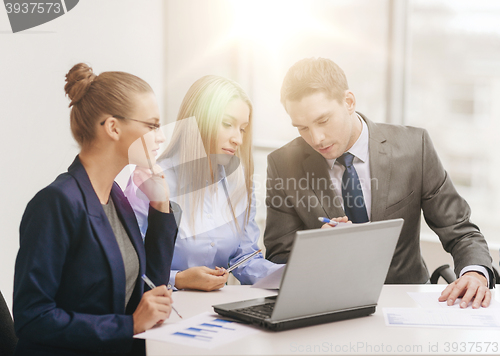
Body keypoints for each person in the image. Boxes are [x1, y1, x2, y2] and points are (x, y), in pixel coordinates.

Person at [264, 57, 494, 309]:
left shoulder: (414, 147)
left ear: (349, 102)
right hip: (328, 306)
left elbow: (460, 230)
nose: (316, 138)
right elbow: (278, 257)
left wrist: (475, 274)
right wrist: (318, 252)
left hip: (406, 303)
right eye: (302, 128)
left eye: (323, 121)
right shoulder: (283, 165)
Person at [13, 63, 179, 356]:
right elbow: (32, 317)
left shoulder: (116, 198)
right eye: (152, 125)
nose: (161, 137)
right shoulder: (56, 203)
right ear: (113, 127)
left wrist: (160, 206)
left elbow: (151, 289)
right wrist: (128, 326)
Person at [125, 75, 281, 292]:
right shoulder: (150, 182)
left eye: (242, 128)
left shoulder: (240, 186)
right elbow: (129, 266)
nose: (238, 138)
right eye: (227, 124)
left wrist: (292, 273)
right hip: (164, 307)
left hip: (217, 310)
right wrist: (178, 279)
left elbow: (246, 258)